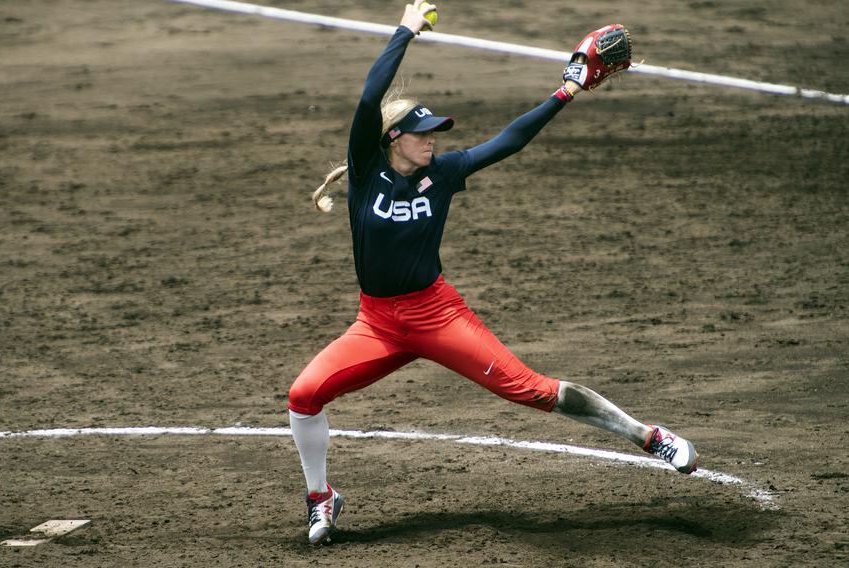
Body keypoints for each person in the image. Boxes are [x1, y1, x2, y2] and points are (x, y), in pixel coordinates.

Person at [288, 0, 698, 545]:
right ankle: (322, 498)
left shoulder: (446, 171)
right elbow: (369, 98)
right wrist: (405, 31)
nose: (433, 138)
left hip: (435, 314)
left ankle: (649, 437)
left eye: (435, 130)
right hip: (377, 324)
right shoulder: (367, 172)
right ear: (393, 141)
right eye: (423, 132)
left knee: (532, 390)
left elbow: (510, 141)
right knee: (304, 394)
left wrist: (567, 90)